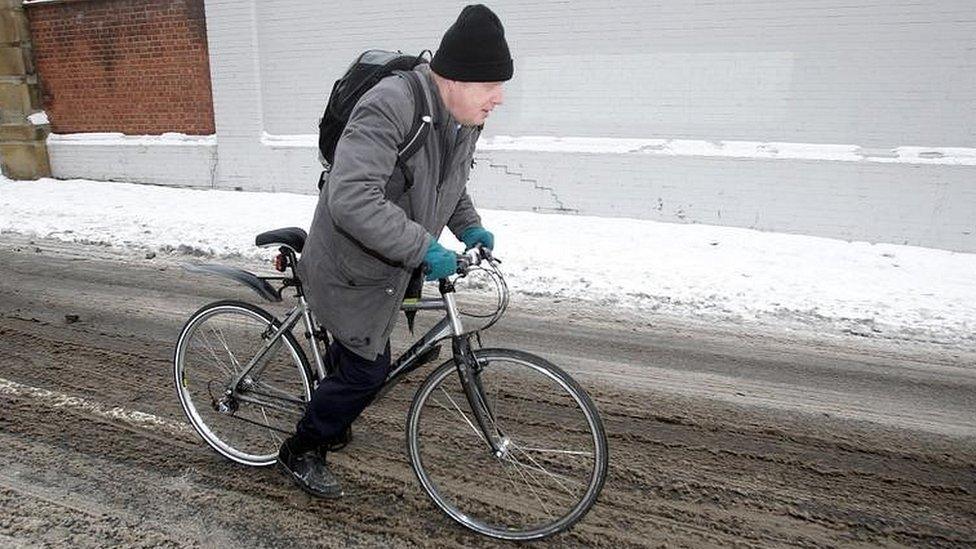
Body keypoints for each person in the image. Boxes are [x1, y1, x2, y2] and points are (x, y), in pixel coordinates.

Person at [279, 4, 513, 497]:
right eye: (490, 84)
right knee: (367, 369)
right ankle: (300, 449)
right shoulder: (391, 104)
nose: (499, 98)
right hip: (351, 265)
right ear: (456, 77)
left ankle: (331, 407)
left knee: (352, 363)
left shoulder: (460, 120)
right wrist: (424, 247)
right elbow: (351, 197)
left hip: (388, 266)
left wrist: (469, 228)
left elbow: (446, 186)